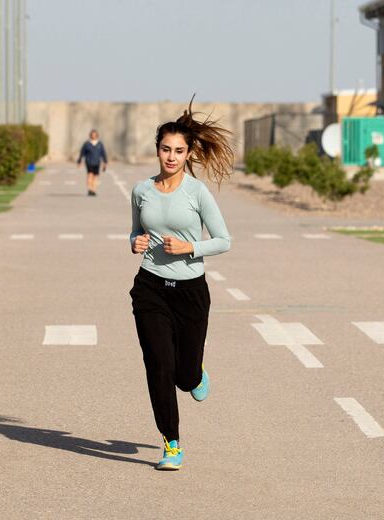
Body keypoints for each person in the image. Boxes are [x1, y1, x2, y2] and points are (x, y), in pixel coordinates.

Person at [128, 98, 234, 471]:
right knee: (158, 364)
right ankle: (171, 443)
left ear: (188, 153)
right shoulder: (142, 190)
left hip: (190, 292)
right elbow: (136, 232)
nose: (171, 157)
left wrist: (191, 247)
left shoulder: (197, 193)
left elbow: (223, 240)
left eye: (178, 151)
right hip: (150, 288)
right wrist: (135, 242)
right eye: (165, 149)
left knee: (183, 374)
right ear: (157, 150)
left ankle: (196, 374)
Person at [76, 129, 108, 196]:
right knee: (90, 175)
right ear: (90, 135)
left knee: (95, 176)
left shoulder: (100, 144)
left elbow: (103, 153)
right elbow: (82, 153)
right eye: (92, 134)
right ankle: (89, 189)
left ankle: (94, 190)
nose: (93, 136)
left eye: (95, 134)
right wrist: (79, 161)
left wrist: (105, 162)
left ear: (97, 135)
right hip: (89, 162)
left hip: (97, 162)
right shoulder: (87, 144)